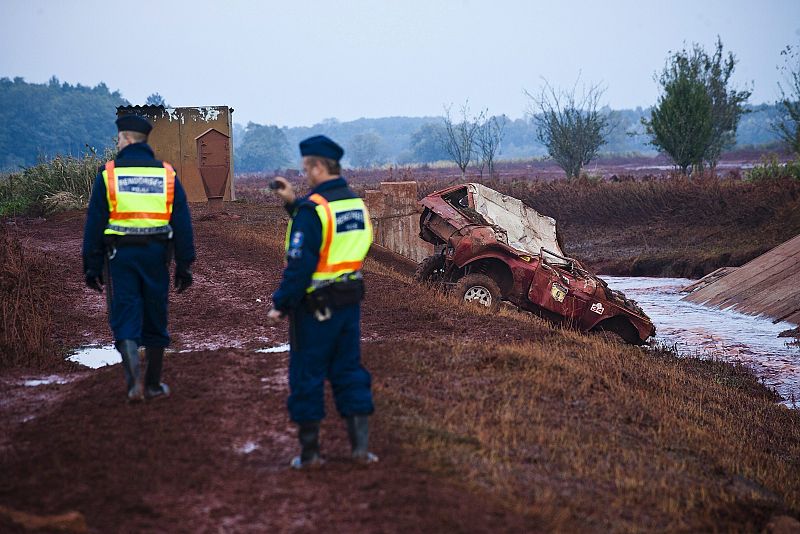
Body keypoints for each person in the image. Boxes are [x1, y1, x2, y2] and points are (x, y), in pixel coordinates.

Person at [267, 135, 377, 469]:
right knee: (349, 370)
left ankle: (311, 454)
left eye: (306, 169)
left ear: (317, 166)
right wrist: (292, 205)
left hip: (314, 309)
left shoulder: (312, 210)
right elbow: (342, 241)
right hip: (349, 303)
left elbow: (300, 264)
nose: (305, 175)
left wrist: (281, 303)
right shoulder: (355, 204)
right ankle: (360, 450)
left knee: (307, 374)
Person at [82, 114, 195, 401]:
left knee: (126, 311)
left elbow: (94, 223)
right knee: (155, 314)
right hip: (157, 256)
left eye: (119, 138)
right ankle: (154, 384)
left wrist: (91, 265)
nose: (118, 142)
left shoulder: (108, 174)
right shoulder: (166, 175)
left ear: (127, 139)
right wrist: (184, 264)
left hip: (120, 257)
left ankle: (133, 381)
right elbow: (182, 222)